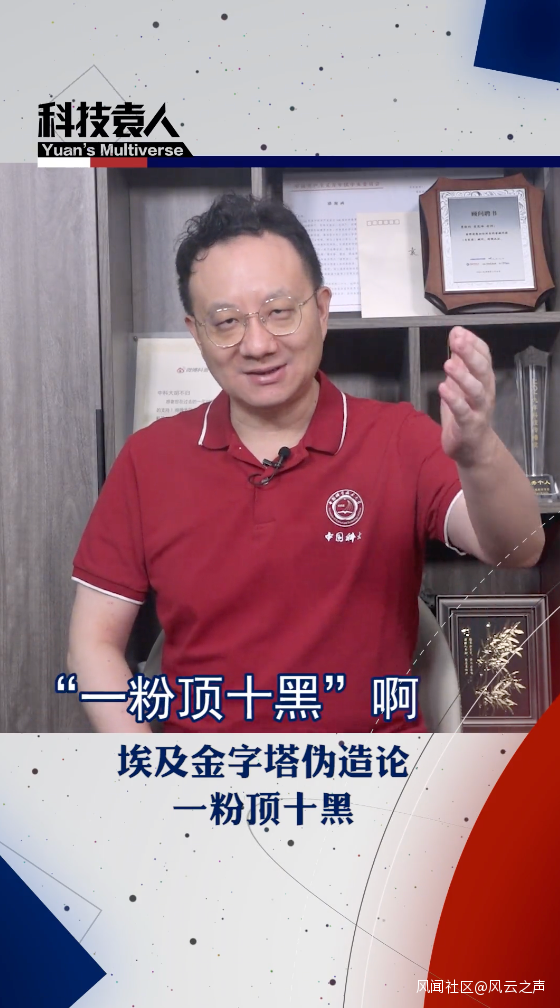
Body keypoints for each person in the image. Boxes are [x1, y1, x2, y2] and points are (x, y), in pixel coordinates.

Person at [68, 193, 545, 734]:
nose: (256, 344)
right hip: (207, 778)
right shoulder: (149, 460)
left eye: (279, 312)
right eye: (225, 321)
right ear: (197, 333)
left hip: (371, 775)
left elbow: (520, 548)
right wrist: (147, 766)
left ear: (320, 310)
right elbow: (92, 643)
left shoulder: (399, 438)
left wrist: (479, 452)